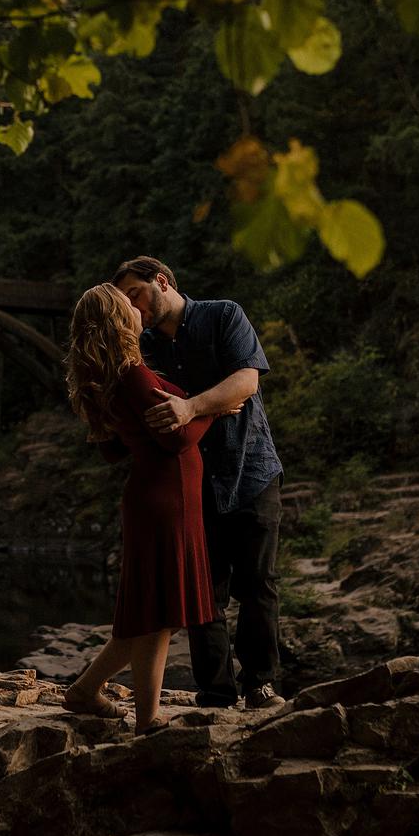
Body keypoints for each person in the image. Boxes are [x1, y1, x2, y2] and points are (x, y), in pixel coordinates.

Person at [112, 256, 286, 710]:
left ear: (162, 282)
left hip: (251, 471)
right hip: (190, 484)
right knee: (205, 594)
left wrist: (191, 408)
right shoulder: (143, 348)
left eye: (136, 294)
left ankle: (261, 685)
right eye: (124, 300)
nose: (133, 306)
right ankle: (215, 693)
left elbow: (246, 381)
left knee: (259, 585)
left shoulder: (223, 314)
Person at [60, 283, 218, 735]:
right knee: (157, 614)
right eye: (127, 302)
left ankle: (87, 692)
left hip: (159, 497)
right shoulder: (131, 373)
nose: (136, 306)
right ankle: (146, 719)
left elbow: (112, 450)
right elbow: (177, 436)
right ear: (117, 319)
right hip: (165, 500)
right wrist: (211, 410)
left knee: (150, 613)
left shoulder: (116, 376)